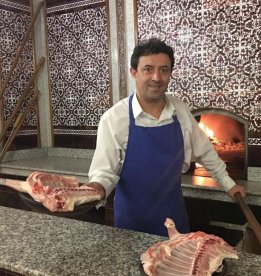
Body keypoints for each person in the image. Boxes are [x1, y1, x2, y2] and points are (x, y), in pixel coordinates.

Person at [86, 38, 246, 236]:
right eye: (148, 69)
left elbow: (205, 152)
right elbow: (104, 173)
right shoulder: (113, 119)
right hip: (131, 223)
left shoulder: (181, 111)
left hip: (174, 219)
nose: (156, 77)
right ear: (133, 72)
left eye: (164, 70)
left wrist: (229, 184)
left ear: (170, 73)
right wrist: (96, 188)